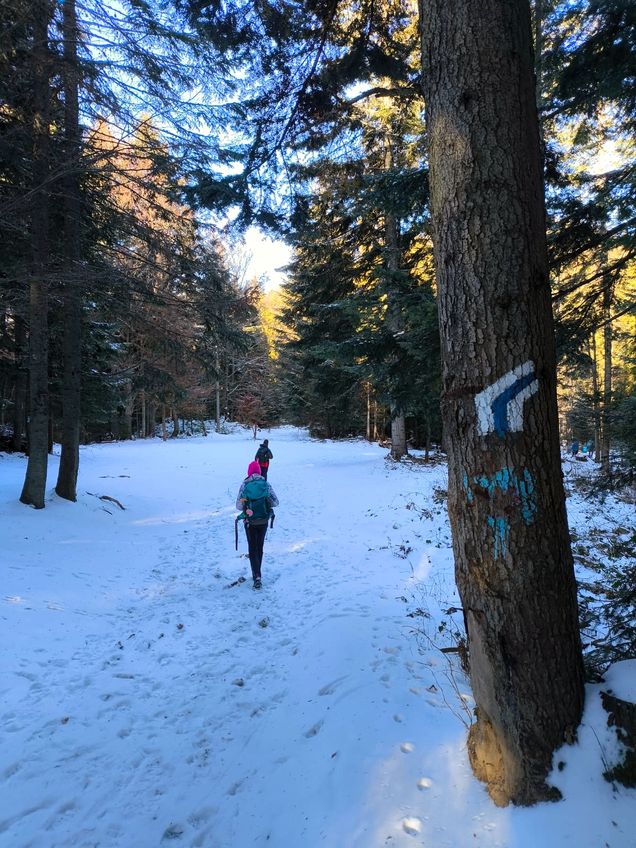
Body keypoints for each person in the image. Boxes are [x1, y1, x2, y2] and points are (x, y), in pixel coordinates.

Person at [236, 460, 279, 589]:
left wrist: (248, 504)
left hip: (250, 521)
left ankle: (256, 575)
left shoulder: (245, 485)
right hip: (263, 521)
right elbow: (275, 502)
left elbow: (238, 506)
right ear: (259, 472)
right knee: (259, 547)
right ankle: (257, 574)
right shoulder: (265, 484)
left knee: (252, 547)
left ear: (249, 472)